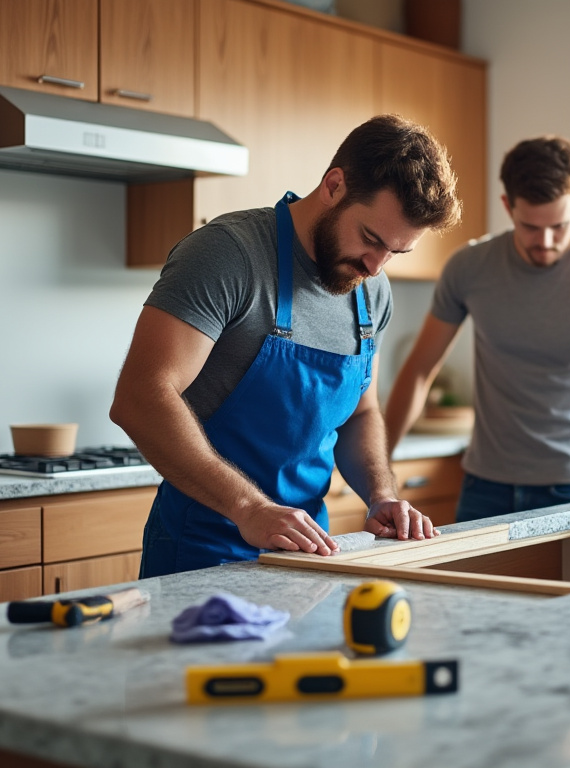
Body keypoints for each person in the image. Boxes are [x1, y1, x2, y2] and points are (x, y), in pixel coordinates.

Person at [110, 115, 462, 578]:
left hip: (310, 555)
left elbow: (361, 413)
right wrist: (249, 507)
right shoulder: (228, 255)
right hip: (200, 553)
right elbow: (141, 397)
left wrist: (382, 494)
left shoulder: (371, 290)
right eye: (372, 239)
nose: (377, 267)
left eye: (397, 252)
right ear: (334, 185)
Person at [384, 135, 570, 522]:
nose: (545, 242)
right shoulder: (468, 267)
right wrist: (379, 471)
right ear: (507, 206)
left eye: (559, 226)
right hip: (483, 487)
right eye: (530, 226)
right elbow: (418, 370)